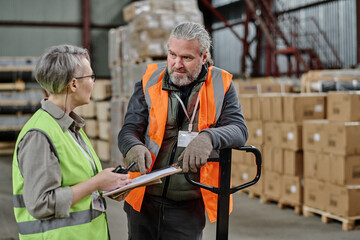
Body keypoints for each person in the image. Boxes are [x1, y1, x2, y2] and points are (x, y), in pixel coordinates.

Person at [118, 22, 248, 239]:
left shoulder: (221, 84)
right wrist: (132, 145)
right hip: (143, 199)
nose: (176, 64)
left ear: (204, 57)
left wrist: (209, 137)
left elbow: (239, 130)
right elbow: (129, 129)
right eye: (172, 54)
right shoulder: (150, 80)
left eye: (186, 58)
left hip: (187, 205)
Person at [12, 44, 132, 240]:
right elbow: (41, 203)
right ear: (73, 84)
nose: (93, 83)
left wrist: (107, 186)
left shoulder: (70, 127)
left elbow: (75, 183)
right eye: (91, 77)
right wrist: (96, 183)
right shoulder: (39, 134)